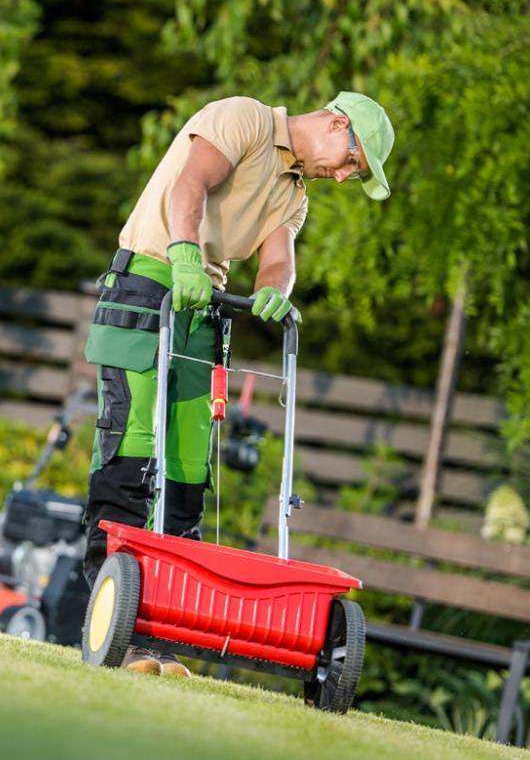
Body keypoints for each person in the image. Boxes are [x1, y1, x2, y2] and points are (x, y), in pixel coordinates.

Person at [82, 91, 394, 677]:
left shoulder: (294, 195)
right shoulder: (244, 117)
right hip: (148, 281)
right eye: (355, 162)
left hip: (203, 305)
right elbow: (189, 185)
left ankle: (157, 631)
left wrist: (277, 290)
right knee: (133, 442)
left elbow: (278, 258)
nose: (348, 177)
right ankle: (105, 614)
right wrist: (184, 256)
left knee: (186, 465)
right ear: (336, 124)